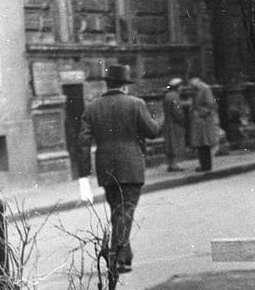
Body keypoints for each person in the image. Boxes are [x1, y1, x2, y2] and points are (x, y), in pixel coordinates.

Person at [78, 64, 160, 274]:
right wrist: (160, 119)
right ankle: (115, 256)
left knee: (118, 212)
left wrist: (83, 177)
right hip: (131, 167)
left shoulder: (92, 107)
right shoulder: (136, 104)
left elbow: (83, 143)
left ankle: (125, 258)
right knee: (125, 211)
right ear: (124, 86)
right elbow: (152, 131)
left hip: (106, 168)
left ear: (108, 84)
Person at [189, 76, 220, 172]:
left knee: (204, 144)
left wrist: (200, 112)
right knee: (201, 144)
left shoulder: (205, 89)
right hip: (199, 121)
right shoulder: (198, 89)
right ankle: (204, 165)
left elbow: (210, 105)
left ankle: (206, 166)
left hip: (204, 121)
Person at [162, 78, 187, 171]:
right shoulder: (175, 96)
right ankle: (175, 165)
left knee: (170, 144)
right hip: (175, 124)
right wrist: (182, 119)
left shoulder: (167, 95)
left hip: (168, 122)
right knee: (176, 143)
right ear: (177, 87)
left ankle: (170, 164)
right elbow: (177, 111)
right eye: (180, 86)